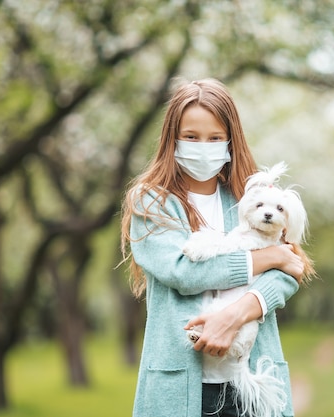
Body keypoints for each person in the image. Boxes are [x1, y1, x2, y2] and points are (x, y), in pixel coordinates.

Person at [120, 78, 305, 417]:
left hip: (252, 385)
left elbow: (290, 268)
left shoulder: (248, 196)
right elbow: (182, 271)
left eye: (215, 138)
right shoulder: (151, 202)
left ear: (230, 141)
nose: (203, 147)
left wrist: (239, 312)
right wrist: (268, 257)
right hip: (181, 392)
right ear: (172, 139)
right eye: (191, 137)